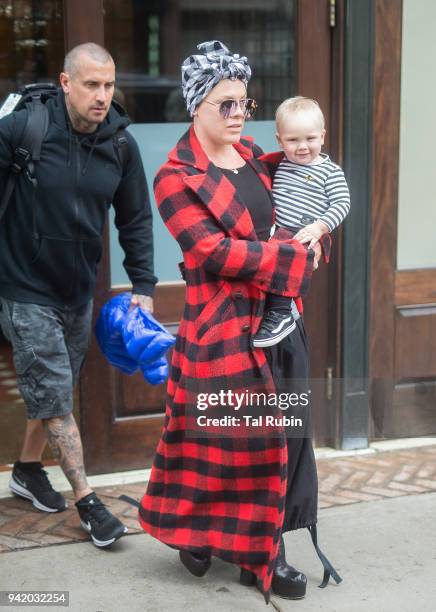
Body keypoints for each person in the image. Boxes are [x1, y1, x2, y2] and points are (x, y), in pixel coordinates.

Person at [138, 41, 340, 602]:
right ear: (196, 104)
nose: (236, 114)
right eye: (225, 103)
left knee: (288, 438)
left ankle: (259, 546)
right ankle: (233, 545)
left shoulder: (254, 153)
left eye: (244, 104)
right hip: (222, 332)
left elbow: (304, 177)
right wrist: (295, 259)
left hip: (280, 319)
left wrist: (321, 221)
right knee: (230, 444)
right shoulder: (175, 177)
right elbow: (215, 253)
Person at [0, 43, 156, 547]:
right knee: (51, 389)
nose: (102, 96)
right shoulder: (25, 130)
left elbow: (134, 219)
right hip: (23, 286)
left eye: (109, 86)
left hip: (76, 290)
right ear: (67, 83)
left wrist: (145, 286)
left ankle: (26, 469)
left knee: (54, 390)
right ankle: (88, 502)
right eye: (91, 85)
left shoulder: (120, 145)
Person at [253, 96, 350, 348]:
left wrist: (320, 227)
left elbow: (342, 204)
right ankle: (269, 309)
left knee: (287, 259)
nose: (302, 146)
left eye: (310, 138)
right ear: (279, 140)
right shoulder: (280, 164)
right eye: (293, 140)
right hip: (279, 229)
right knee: (267, 261)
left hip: (305, 232)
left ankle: (281, 312)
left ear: (323, 136)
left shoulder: (331, 172)